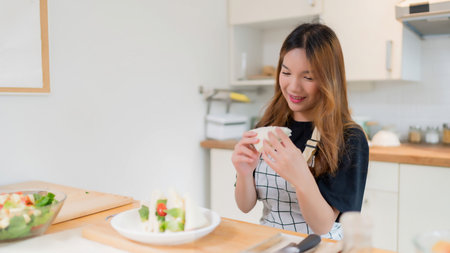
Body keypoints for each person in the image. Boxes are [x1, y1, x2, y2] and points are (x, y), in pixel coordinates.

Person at [231, 23, 369, 240]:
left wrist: (300, 175)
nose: (293, 86)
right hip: (271, 242)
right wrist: (244, 173)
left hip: (322, 246)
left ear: (329, 79)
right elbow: (245, 205)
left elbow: (323, 225)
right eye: (286, 72)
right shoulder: (268, 126)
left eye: (308, 77)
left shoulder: (348, 138)